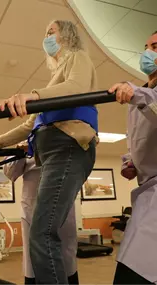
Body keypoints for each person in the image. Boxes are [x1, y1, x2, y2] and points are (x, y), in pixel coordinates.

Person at [0, 20, 98, 284]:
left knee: (42, 235)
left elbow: (77, 87)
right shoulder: (54, 80)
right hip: (52, 153)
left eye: (51, 32)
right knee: (42, 234)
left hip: (67, 147)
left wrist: (33, 95)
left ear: (66, 35)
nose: (47, 37)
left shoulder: (78, 57)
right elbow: (29, 125)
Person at [108, 30, 157, 284]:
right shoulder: (143, 93)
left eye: (156, 47)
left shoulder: (143, 95)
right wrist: (130, 161)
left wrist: (136, 93)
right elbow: (139, 139)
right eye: (146, 46)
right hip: (147, 190)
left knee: (136, 270)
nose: (148, 52)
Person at [3, 142, 79, 285]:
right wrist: (20, 151)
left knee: (65, 259)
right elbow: (10, 173)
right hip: (32, 211)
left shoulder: (67, 134)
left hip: (63, 211)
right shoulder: (29, 137)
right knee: (34, 261)